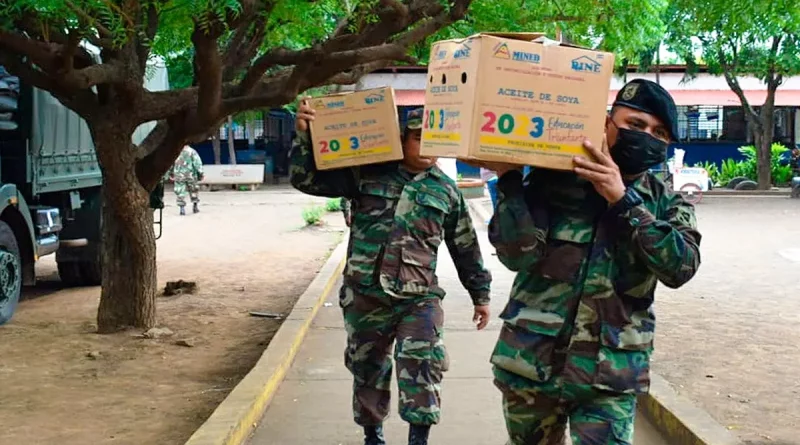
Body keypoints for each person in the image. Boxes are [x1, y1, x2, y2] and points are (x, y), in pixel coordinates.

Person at [484, 79, 702, 444]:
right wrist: (508, 179)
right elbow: (515, 254)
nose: (646, 136)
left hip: (610, 375)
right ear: (606, 122)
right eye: (635, 125)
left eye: (659, 132)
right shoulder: (551, 181)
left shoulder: (667, 203)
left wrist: (624, 201)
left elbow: (680, 267)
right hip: (533, 364)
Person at [290, 103, 492, 445]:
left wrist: (481, 295)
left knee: (423, 364)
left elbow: (466, 247)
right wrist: (303, 138)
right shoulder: (367, 174)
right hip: (365, 295)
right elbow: (306, 179)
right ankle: (373, 435)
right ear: (402, 139)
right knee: (368, 368)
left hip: (420, 298)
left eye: (435, 139)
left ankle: (419, 439)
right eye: (418, 138)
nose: (427, 147)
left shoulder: (445, 190)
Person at [168, 145, 204, 215]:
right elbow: (197, 163)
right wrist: (201, 173)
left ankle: (182, 209)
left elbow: (170, 163)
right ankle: (195, 206)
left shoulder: (175, 151)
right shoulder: (192, 151)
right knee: (194, 190)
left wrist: (170, 173)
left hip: (179, 175)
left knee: (180, 190)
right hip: (191, 175)